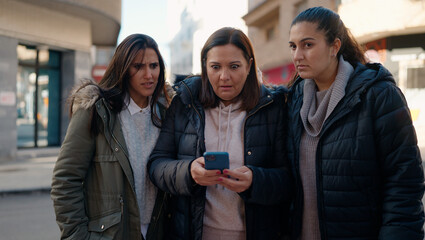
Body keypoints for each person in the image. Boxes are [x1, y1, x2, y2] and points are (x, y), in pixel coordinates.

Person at [286, 6, 425, 240]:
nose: (297, 55)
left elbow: (404, 185)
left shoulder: (379, 96)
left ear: (335, 47)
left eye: (308, 45)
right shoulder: (292, 101)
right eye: (293, 46)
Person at [147, 27, 292, 240]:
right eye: (215, 67)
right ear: (205, 67)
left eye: (234, 66)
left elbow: (288, 180)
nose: (224, 77)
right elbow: (156, 165)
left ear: (249, 66)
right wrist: (189, 172)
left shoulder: (272, 108)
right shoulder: (185, 103)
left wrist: (255, 181)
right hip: (193, 233)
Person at [51, 33, 172, 240]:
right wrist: (77, 236)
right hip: (113, 234)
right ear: (123, 69)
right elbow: (65, 179)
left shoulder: (168, 111)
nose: (149, 74)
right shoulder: (97, 110)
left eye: (154, 66)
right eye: (138, 67)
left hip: (159, 231)